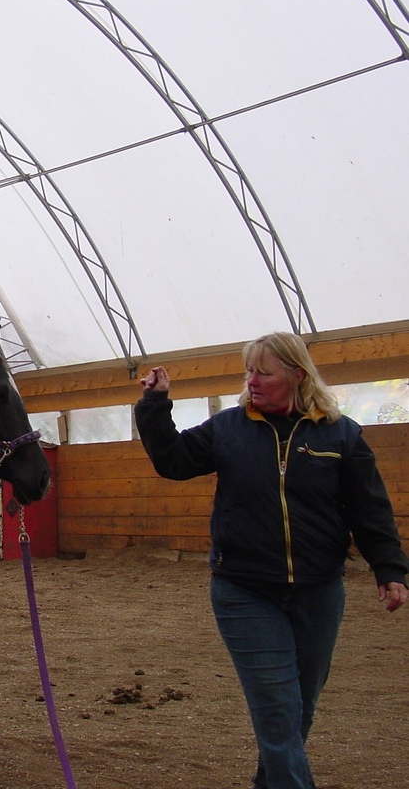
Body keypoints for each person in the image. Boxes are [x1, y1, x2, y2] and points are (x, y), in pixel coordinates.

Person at [133, 331, 408, 789]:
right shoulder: (228, 428)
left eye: (264, 371)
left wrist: (390, 568)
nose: (252, 380)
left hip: (319, 592)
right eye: (249, 371)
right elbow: (173, 460)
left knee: (298, 709)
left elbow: (369, 507)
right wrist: (155, 406)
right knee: (279, 712)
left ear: (297, 375)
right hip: (244, 591)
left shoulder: (340, 434)